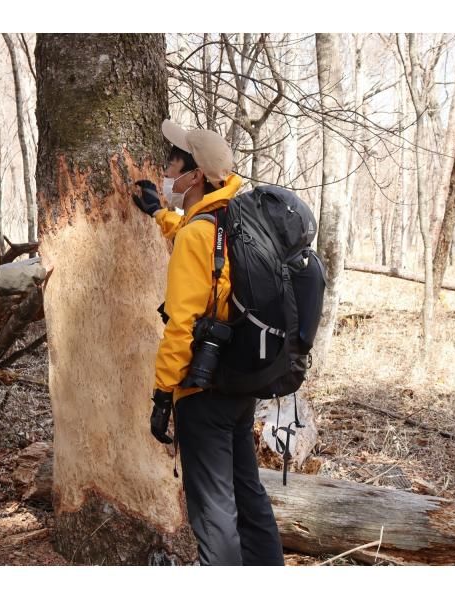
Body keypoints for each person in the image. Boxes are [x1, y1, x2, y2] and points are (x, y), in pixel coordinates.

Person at [131, 121, 285, 566]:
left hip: (201, 388)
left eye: (172, 163)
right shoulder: (233, 219)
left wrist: (163, 393)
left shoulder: (201, 234)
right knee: (247, 492)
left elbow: (182, 324)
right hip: (241, 381)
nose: (166, 170)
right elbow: (211, 265)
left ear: (194, 175)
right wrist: (161, 214)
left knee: (213, 507)